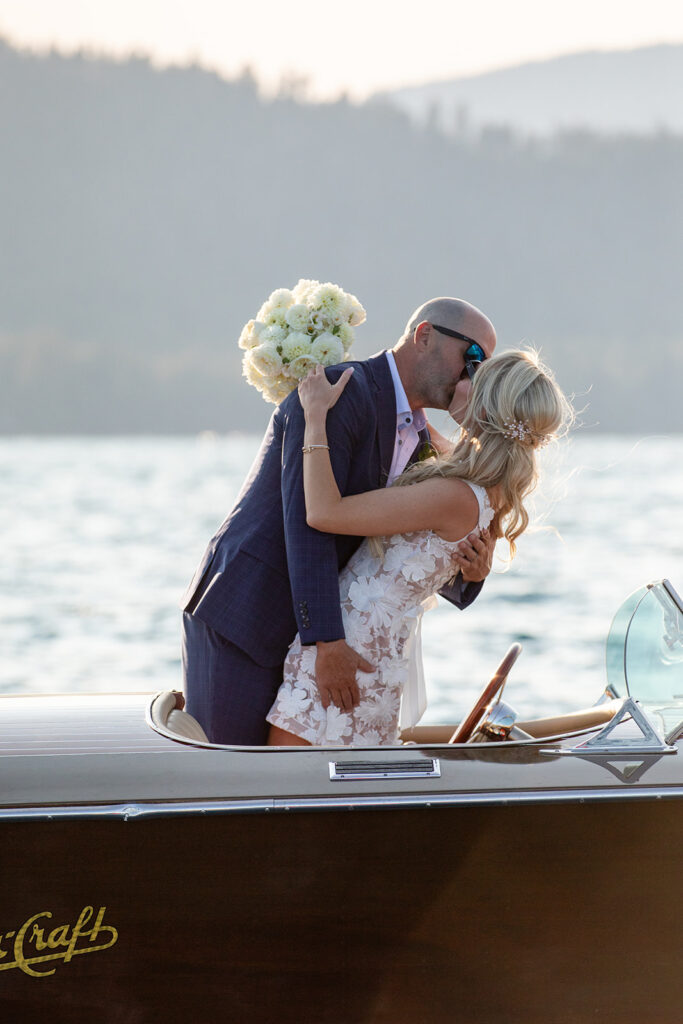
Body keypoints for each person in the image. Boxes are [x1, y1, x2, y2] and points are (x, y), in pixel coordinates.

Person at [181, 298, 497, 745]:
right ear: (425, 335)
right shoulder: (339, 390)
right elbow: (307, 521)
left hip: (305, 632)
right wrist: (326, 641)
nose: (472, 377)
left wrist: (470, 571)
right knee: (232, 777)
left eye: (482, 368)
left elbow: (400, 550)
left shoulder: (424, 438)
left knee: (285, 784)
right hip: (248, 614)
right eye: (472, 358)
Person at [266, 350, 572, 746]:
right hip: (375, 653)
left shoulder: (453, 495)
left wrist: (315, 418)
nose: (461, 380)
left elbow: (325, 512)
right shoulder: (489, 492)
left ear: (484, 406)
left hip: (346, 649)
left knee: (287, 783)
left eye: (472, 376)